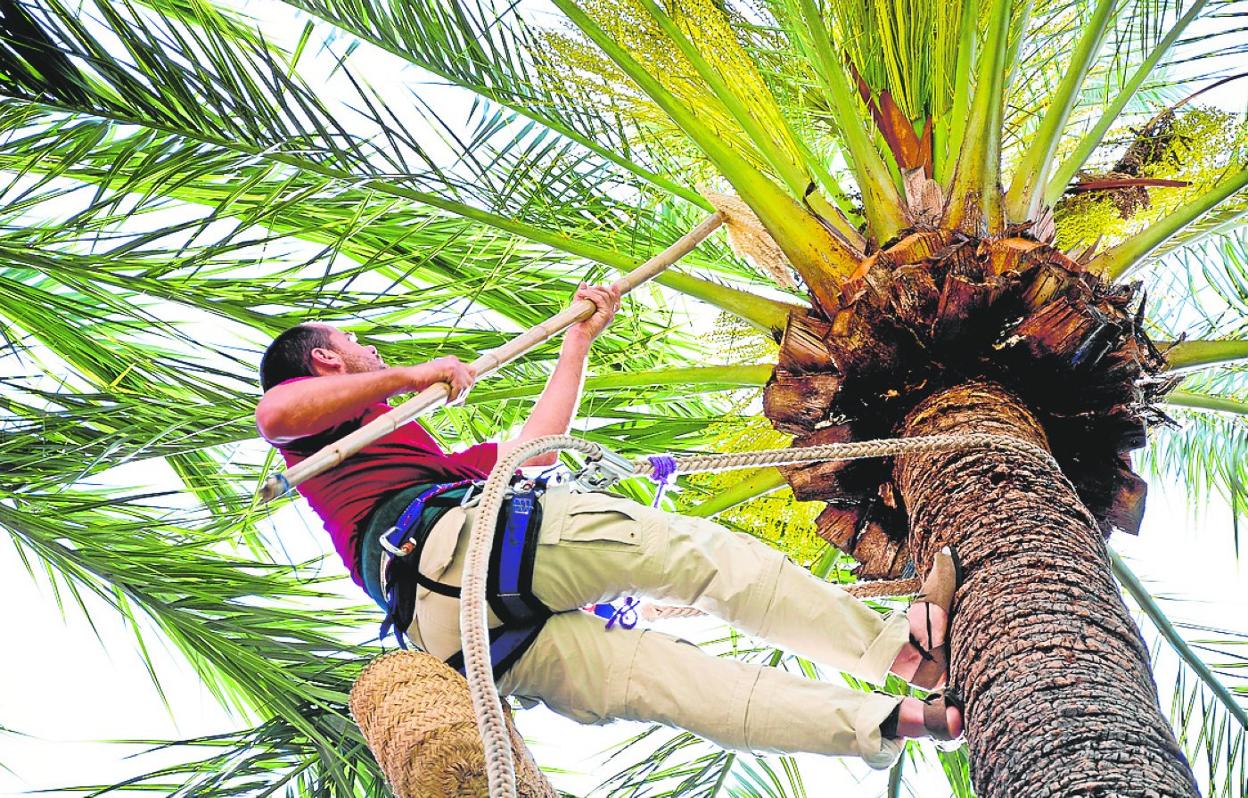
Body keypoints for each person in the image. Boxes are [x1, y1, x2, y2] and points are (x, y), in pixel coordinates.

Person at [254, 282, 962, 768]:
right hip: (464, 551)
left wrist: (576, 348)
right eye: (358, 346)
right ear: (324, 360)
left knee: (678, 688)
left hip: (456, 627)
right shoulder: (319, 430)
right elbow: (275, 414)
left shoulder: (408, 462)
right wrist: (403, 378)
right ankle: (909, 658)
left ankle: (909, 724)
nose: (373, 354)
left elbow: (536, 447)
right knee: (700, 557)